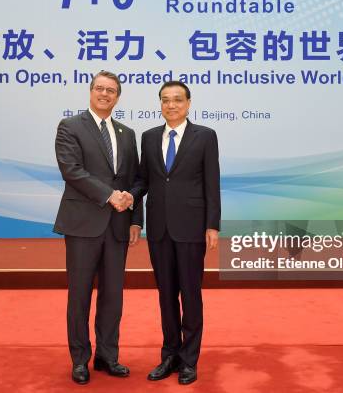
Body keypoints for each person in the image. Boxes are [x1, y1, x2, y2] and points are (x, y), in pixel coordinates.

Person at [53, 71, 142, 385]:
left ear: (118, 97)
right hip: (83, 224)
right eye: (100, 89)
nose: (105, 94)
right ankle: (80, 359)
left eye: (112, 90)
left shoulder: (127, 133)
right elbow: (72, 171)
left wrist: (135, 219)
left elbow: (134, 180)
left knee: (113, 296)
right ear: (90, 92)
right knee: (79, 296)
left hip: (118, 226)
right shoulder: (70, 127)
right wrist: (109, 196)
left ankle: (108, 356)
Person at [130, 81, 221, 385]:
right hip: (159, 230)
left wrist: (212, 225)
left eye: (177, 100)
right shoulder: (149, 137)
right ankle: (169, 355)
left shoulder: (205, 136)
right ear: (160, 104)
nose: (171, 105)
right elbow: (143, 181)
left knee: (191, 295)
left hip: (192, 228)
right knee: (166, 295)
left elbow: (211, 183)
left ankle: (189, 360)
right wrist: (130, 203)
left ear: (188, 103)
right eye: (165, 100)